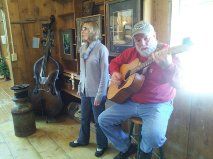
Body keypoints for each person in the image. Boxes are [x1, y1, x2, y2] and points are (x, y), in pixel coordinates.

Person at [98, 21, 180, 159]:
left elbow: (180, 83)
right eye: (137, 40)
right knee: (103, 120)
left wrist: (168, 66)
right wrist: (115, 73)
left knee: (154, 137)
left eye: (146, 38)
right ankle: (127, 147)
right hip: (131, 101)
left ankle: (144, 151)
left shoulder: (167, 53)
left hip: (157, 104)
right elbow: (114, 63)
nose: (142, 43)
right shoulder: (131, 53)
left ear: (154, 35)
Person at [69, 21, 109, 157]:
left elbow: (105, 75)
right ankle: (83, 140)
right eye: (82, 29)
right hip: (85, 90)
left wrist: (99, 95)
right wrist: (80, 86)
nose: (82, 31)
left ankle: (102, 144)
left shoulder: (101, 49)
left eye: (85, 28)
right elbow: (83, 70)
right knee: (84, 117)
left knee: (99, 121)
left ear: (93, 31)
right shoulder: (83, 48)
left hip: (98, 92)